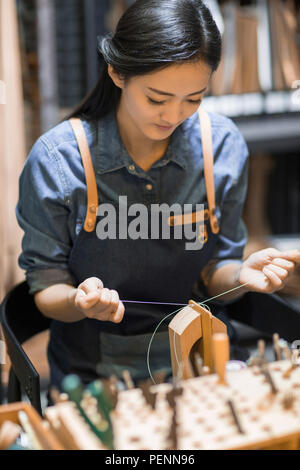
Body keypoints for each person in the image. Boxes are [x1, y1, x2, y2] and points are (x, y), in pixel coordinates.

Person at [16, 0, 299, 392]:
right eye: (157, 98)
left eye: (194, 99)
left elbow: (213, 273)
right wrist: (80, 301)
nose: (173, 116)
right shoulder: (59, 161)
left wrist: (241, 274)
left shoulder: (220, 145)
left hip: (207, 363)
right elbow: (45, 288)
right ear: (117, 72)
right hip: (98, 378)